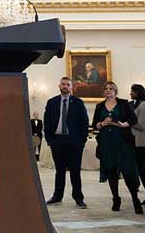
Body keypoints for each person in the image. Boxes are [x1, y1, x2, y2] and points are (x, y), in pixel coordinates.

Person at [92, 81, 143, 214]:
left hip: (123, 141)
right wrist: (102, 123)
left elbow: (133, 119)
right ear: (103, 92)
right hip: (106, 143)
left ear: (115, 91)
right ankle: (116, 198)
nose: (108, 90)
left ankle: (135, 199)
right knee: (111, 171)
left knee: (128, 171)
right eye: (106, 89)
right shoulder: (100, 106)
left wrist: (125, 124)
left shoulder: (123, 103)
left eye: (111, 88)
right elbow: (94, 125)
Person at [43, 77, 89, 208]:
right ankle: (57, 196)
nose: (65, 86)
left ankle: (78, 198)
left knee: (75, 171)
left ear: (71, 87)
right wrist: (49, 140)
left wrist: (82, 141)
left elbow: (84, 123)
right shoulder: (52, 102)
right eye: (63, 84)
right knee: (59, 171)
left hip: (74, 142)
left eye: (68, 85)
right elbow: (47, 122)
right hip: (57, 141)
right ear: (59, 86)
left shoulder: (78, 103)